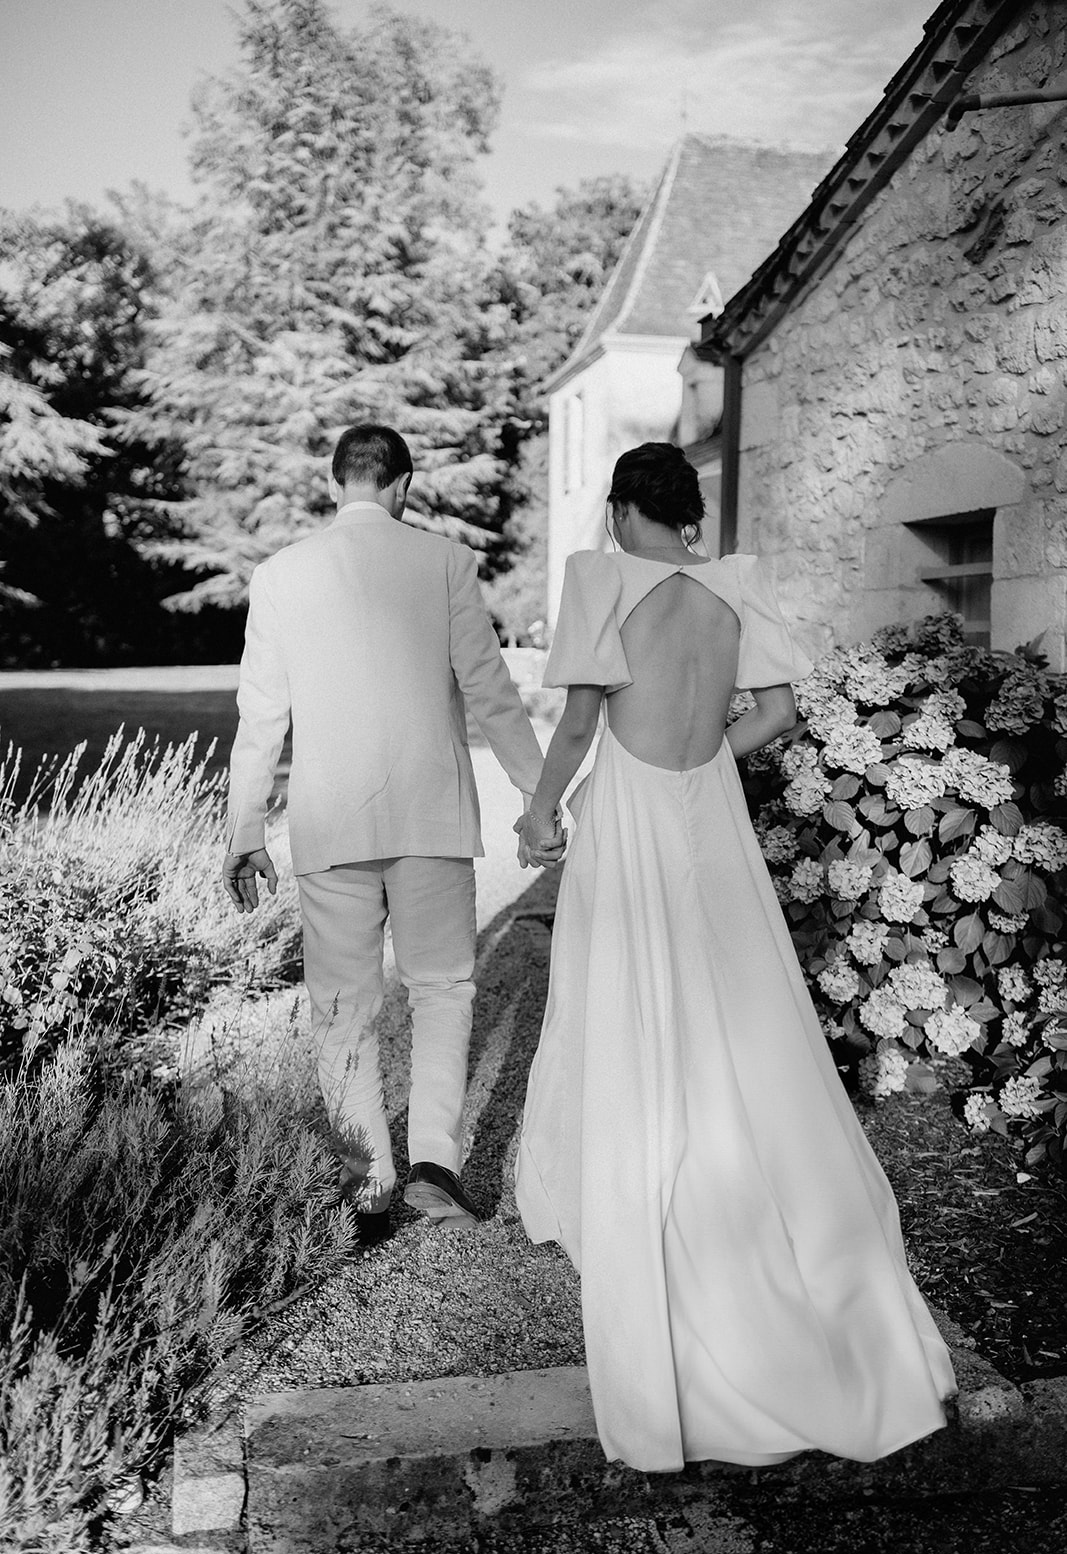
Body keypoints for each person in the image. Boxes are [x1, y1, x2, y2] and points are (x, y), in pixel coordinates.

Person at [514, 442, 956, 1472]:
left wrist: (540, 810)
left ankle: (632, 1168)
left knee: (619, 991)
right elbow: (779, 711)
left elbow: (578, 719)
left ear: (621, 509)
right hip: (704, 805)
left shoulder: (599, 576)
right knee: (732, 995)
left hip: (630, 809)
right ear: (684, 512)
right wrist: (709, 755)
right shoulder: (733, 580)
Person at [223, 423, 555, 1239]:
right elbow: (489, 687)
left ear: (335, 482)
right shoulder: (444, 561)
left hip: (330, 818)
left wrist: (245, 828)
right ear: (403, 485)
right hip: (428, 814)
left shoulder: (279, 573)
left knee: (341, 1003)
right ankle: (434, 1162)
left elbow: (260, 715)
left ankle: (368, 1180)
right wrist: (536, 792)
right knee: (442, 989)